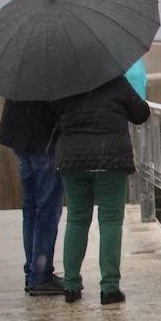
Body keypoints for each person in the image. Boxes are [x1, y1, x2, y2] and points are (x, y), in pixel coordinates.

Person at [53, 75, 150, 305]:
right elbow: (141, 114)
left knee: (76, 220)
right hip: (111, 159)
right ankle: (109, 288)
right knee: (110, 222)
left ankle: (71, 285)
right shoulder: (114, 80)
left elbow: (50, 116)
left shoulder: (63, 83)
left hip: (73, 159)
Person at [0, 99, 65, 295]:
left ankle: (33, 270)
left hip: (19, 136)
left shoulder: (22, 70)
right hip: (43, 139)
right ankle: (41, 275)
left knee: (31, 208)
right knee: (47, 210)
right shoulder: (47, 72)